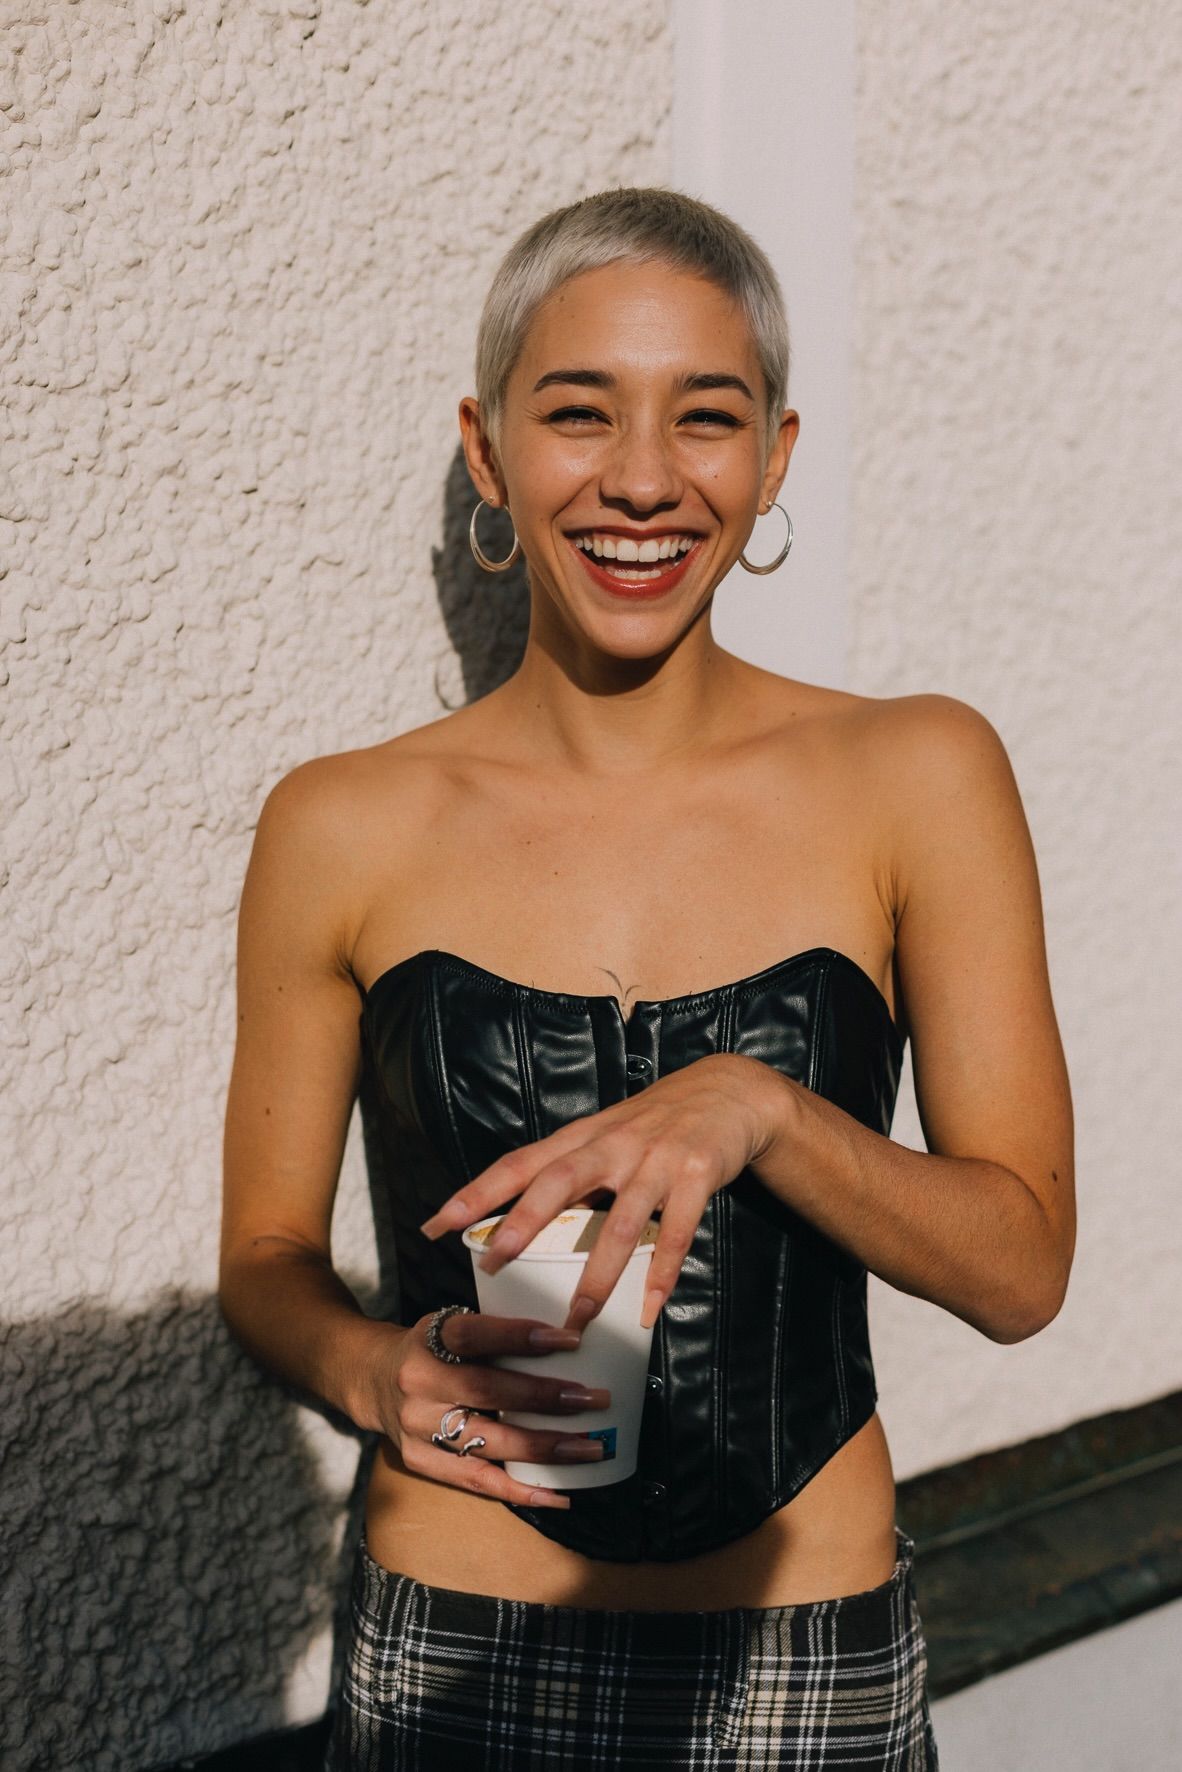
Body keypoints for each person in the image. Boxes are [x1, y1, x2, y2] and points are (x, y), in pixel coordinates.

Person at [218, 186, 1075, 1770]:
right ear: (488, 452)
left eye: (704, 417)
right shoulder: (338, 822)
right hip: (449, 1653)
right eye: (575, 413)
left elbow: (1019, 1271)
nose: (638, 479)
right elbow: (265, 1254)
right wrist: (366, 1371)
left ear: (773, 458)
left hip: (801, 1661)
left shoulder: (917, 773)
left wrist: (764, 1107)